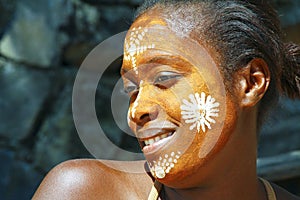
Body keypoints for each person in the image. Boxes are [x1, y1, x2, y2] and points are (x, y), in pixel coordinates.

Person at [33, 0, 300, 199]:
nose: (136, 111)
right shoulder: (84, 192)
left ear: (250, 82)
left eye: (164, 78)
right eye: (131, 89)